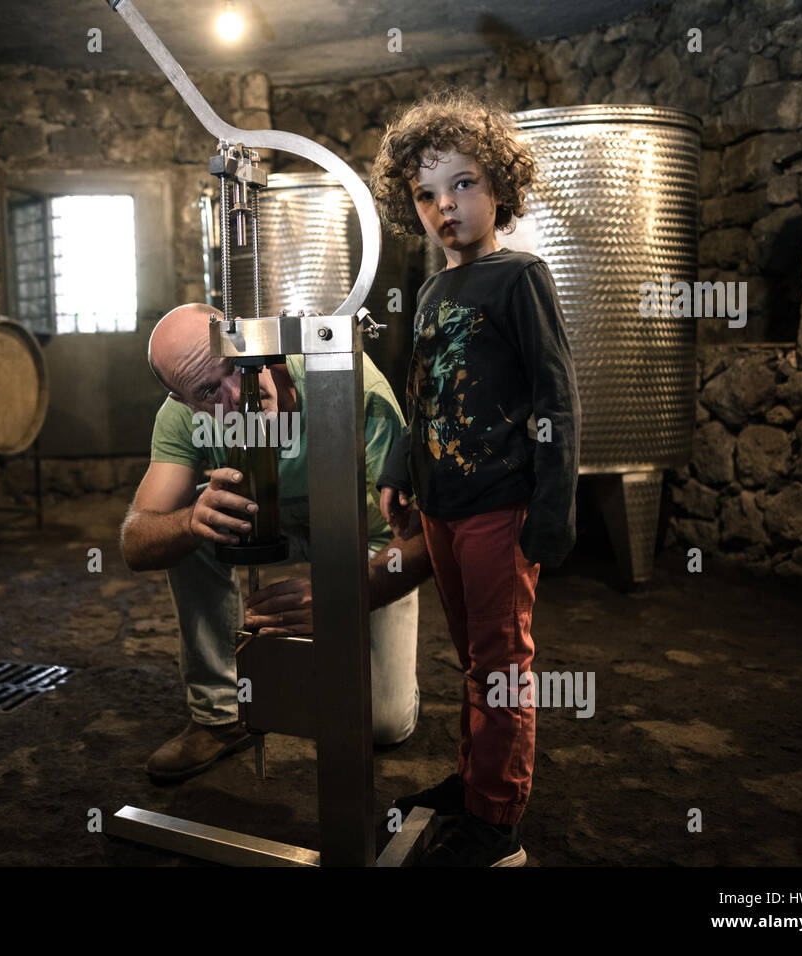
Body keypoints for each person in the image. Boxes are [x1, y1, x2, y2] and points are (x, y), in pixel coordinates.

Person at [370, 87, 582, 866]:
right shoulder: (430, 290)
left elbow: (558, 396)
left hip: (499, 505)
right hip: (443, 509)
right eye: (426, 194)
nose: (444, 206)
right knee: (472, 659)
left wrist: (552, 511)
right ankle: (472, 782)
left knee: (501, 665)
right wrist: (398, 464)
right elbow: (420, 387)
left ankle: (495, 827)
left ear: (499, 187)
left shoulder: (520, 278)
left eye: (462, 184)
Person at [120, 303, 432, 781]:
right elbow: (136, 541)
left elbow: (427, 534)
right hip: (262, 524)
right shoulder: (179, 418)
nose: (235, 396)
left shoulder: (347, 380)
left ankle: (356, 676)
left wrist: (343, 597)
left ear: (249, 338)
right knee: (193, 524)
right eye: (207, 391)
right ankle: (221, 715)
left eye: (233, 368)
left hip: (364, 538)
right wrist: (188, 523)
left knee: (383, 725)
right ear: (182, 401)